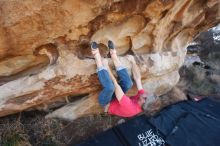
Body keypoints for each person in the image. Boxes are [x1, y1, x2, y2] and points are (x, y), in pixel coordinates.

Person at [91, 40, 148, 117]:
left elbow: (115, 83)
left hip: (106, 102)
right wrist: (133, 62)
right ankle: (114, 56)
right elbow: (138, 78)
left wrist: (107, 67)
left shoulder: (130, 108)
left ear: (143, 101)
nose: (146, 93)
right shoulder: (143, 97)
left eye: (145, 96)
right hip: (117, 99)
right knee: (129, 83)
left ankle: (97, 58)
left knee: (111, 87)